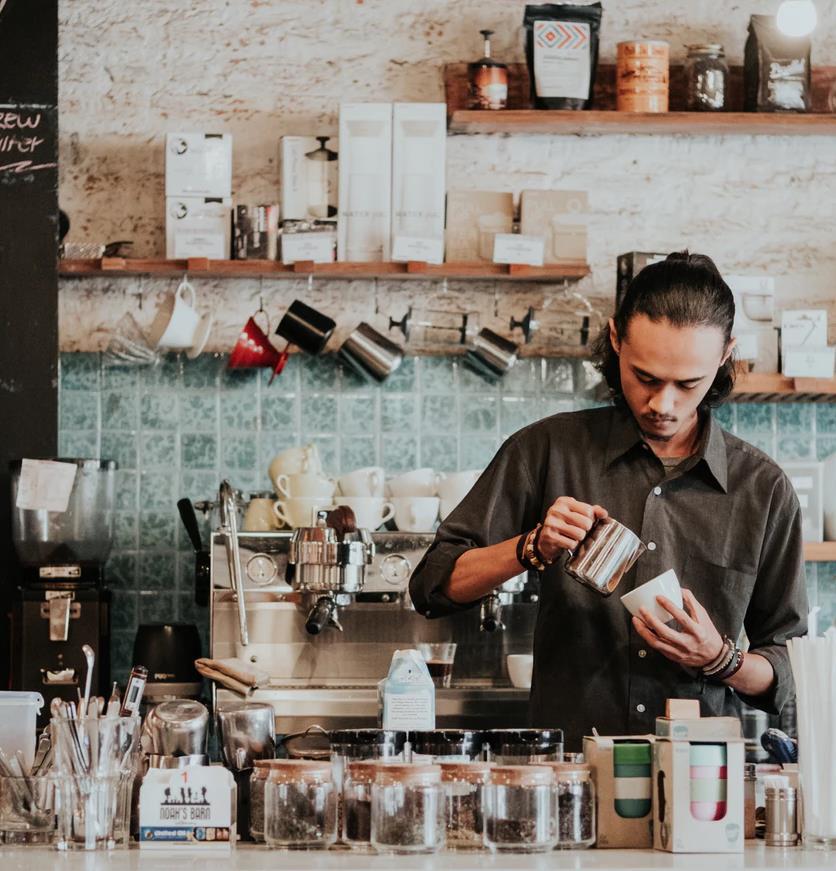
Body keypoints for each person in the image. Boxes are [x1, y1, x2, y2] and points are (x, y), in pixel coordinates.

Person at [409, 252, 808, 750]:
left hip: (698, 777)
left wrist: (718, 658)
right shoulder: (545, 450)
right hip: (567, 771)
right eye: (644, 376)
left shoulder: (762, 488)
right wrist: (531, 547)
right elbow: (432, 586)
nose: (663, 404)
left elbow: (790, 672)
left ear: (725, 354)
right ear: (616, 339)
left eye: (688, 384)